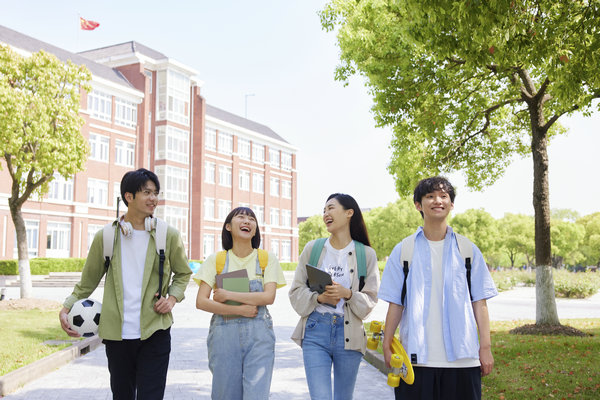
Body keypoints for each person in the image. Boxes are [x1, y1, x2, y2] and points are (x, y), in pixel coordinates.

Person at [59, 168, 191, 400]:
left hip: (155, 330)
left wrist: (171, 299)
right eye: (147, 192)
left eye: (156, 193)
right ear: (128, 197)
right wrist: (68, 305)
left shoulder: (167, 234)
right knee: (122, 395)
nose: (154, 198)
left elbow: (183, 274)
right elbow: (88, 280)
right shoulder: (106, 237)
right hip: (117, 335)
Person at [379, 176, 498, 400]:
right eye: (430, 196)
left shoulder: (467, 250)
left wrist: (485, 347)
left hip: (463, 360)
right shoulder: (404, 250)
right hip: (415, 361)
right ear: (418, 205)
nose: (438, 201)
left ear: (451, 204)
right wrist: (387, 343)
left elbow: (479, 303)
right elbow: (396, 303)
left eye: (444, 196)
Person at [289, 193, 380, 400]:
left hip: (349, 334)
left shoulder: (366, 254)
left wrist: (347, 294)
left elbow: (370, 301)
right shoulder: (313, 248)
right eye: (324, 210)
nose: (325, 214)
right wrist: (318, 299)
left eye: (331, 208)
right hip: (315, 331)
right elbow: (295, 292)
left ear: (349, 213)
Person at [194, 207, 286, 399]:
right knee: (225, 394)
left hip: (259, 335)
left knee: (257, 395)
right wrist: (241, 310)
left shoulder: (266, 259)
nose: (247, 221)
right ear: (228, 226)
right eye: (241, 217)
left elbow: (268, 297)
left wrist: (228, 294)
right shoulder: (217, 260)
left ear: (255, 229)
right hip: (223, 336)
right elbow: (201, 301)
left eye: (252, 219)